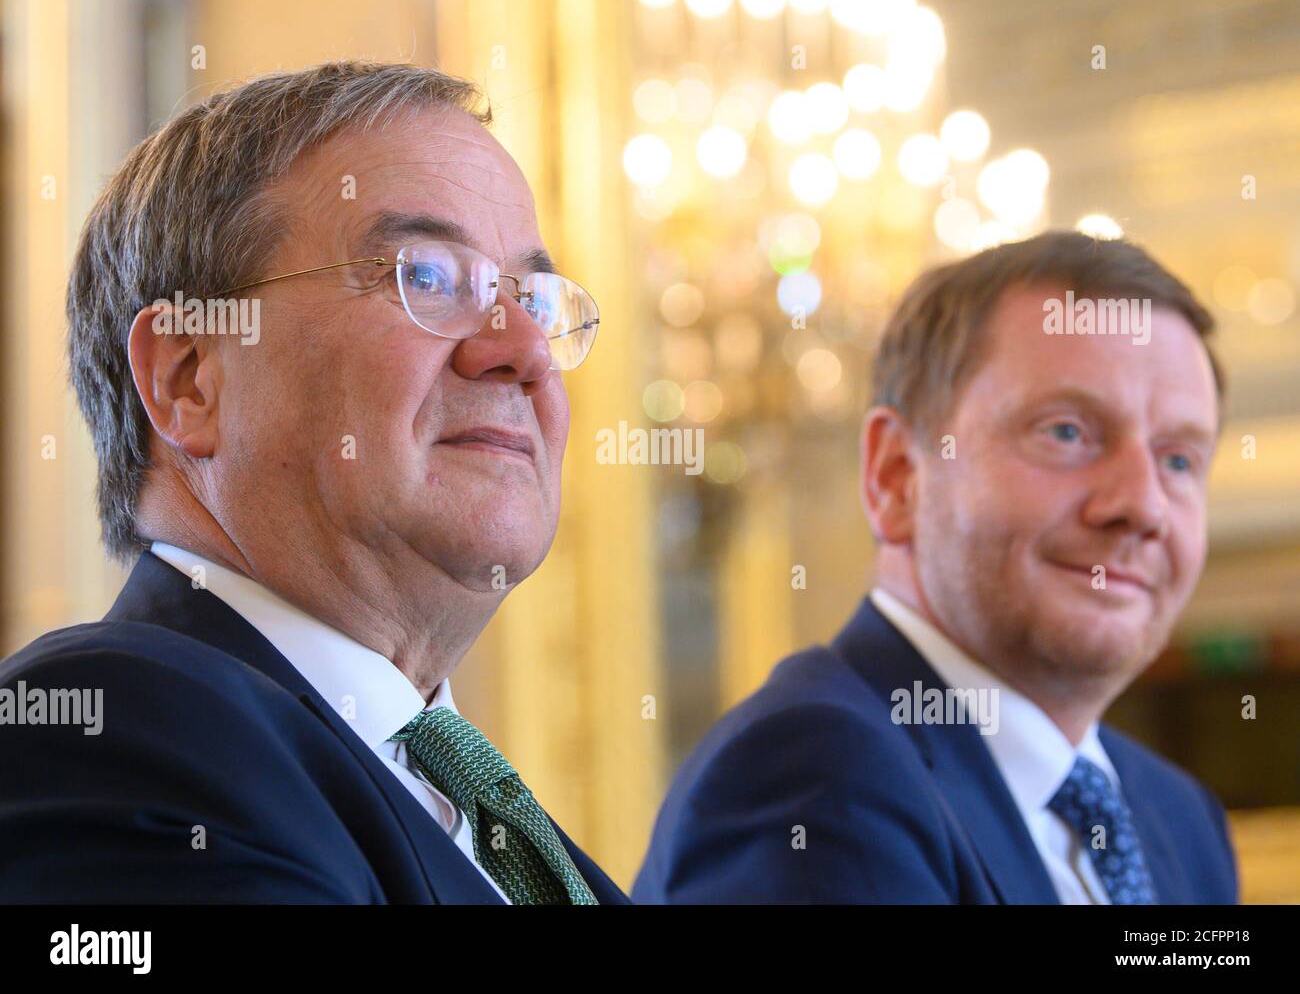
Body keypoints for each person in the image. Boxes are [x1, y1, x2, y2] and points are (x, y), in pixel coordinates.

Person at [0, 61, 621, 905]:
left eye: (535, 300)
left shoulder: (475, 805)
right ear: (188, 377)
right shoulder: (108, 727)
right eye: (427, 276)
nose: (526, 350)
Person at [634, 231, 1238, 904]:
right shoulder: (813, 776)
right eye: (1067, 431)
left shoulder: (1181, 819)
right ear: (898, 477)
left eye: (1180, 459)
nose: (1144, 505)